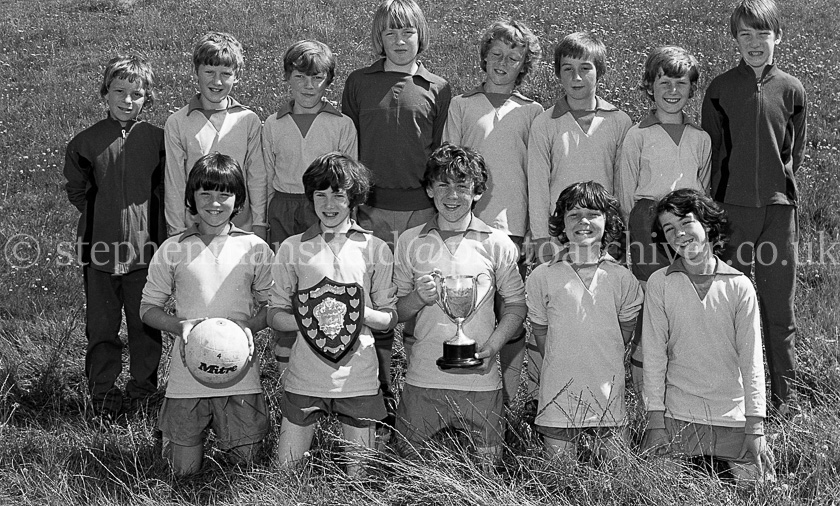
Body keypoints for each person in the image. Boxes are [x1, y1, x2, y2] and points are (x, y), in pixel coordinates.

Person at [341, 0, 452, 431]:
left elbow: (439, 154)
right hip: (370, 213)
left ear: (421, 36)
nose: (400, 40)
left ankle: (420, 395)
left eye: (408, 32)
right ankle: (378, 394)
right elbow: (348, 146)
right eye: (390, 32)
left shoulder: (437, 88)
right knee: (376, 303)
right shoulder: (359, 83)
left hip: (420, 213)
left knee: (418, 302)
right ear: (379, 38)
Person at [701, 0, 807, 417]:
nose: (754, 42)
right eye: (745, 34)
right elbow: (713, 149)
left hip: (779, 214)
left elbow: (794, 152)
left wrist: (778, 190)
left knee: (780, 311)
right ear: (735, 39)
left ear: (778, 35)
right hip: (731, 212)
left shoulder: (793, 89)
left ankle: (785, 403)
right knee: (733, 308)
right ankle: (736, 400)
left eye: (762, 33)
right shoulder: (719, 89)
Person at [392, 143, 526, 466]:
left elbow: (516, 306)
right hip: (423, 378)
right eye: (443, 184)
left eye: (462, 186)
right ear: (429, 189)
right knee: (408, 469)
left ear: (478, 192)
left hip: (481, 380)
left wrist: (493, 347)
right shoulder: (410, 241)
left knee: (487, 476)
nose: (452, 195)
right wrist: (417, 298)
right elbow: (394, 312)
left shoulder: (497, 243)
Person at [140, 153, 273, 476]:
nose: (215, 203)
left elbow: (273, 306)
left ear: (238, 200)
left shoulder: (255, 248)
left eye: (224, 194)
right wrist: (178, 325)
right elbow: (147, 309)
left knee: (246, 470)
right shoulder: (173, 248)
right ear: (192, 198)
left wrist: (249, 326)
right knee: (182, 473)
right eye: (206, 194)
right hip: (187, 377)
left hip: (241, 378)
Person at [268, 153, 396, 477]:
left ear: (353, 198)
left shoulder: (376, 248)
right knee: (285, 475)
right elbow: (274, 314)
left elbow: (389, 318)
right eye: (320, 194)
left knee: (362, 478)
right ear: (309, 197)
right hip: (305, 374)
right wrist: (309, 320)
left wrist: (357, 314)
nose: (329, 204)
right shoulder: (292, 247)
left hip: (358, 376)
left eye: (338, 194)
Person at [442, 19, 543, 408]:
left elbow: (536, 173)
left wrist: (535, 229)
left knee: (510, 315)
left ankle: (512, 399)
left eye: (513, 58)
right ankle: (465, 392)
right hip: (468, 226)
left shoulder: (533, 111)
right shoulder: (462, 105)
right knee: (468, 309)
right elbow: (448, 166)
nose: (503, 63)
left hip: (513, 227)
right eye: (496, 54)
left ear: (523, 66)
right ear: (484, 57)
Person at [642, 188, 774, 485]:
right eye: (669, 229)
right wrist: (655, 422)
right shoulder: (660, 284)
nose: (679, 233)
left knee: (759, 487)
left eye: (686, 222)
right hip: (678, 415)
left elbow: (752, 361)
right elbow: (653, 356)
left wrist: (755, 426)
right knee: (656, 486)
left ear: (707, 224)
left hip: (732, 416)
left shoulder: (739, 286)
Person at [63, 55, 165, 421]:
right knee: (102, 328)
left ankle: (143, 392)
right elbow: (77, 190)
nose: (127, 100)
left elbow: (165, 190)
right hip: (99, 254)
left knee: (145, 327)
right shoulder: (85, 142)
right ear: (105, 93)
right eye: (119, 91)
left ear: (147, 98)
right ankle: (103, 394)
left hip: (145, 254)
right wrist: (101, 217)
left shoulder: (158, 140)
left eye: (136, 94)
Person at [614, 46, 711, 395]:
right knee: (650, 304)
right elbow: (626, 192)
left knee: (684, 299)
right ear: (649, 86)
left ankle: (681, 388)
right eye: (664, 82)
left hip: (686, 224)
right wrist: (640, 229)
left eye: (681, 83)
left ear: (692, 89)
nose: (672, 90)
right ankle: (646, 398)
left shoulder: (700, 138)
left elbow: (703, 189)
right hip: (647, 221)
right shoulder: (638, 135)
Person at [526, 181, 643, 461]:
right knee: (559, 477)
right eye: (574, 215)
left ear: (608, 220)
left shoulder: (623, 278)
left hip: (608, 396)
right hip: (558, 395)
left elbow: (624, 334)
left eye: (593, 214)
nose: (584, 222)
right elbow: (542, 336)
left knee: (618, 473)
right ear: (562, 223)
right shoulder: (542, 276)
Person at [262, 39, 358, 374]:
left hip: (324, 209)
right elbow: (265, 175)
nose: (308, 85)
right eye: (300, 76)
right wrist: (262, 221)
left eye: (317, 78)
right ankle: (285, 368)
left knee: (323, 281)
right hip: (283, 207)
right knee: (286, 285)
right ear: (287, 78)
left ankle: (327, 356)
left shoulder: (341, 124)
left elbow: (349, 180)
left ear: (328, 80)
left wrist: (348, 223)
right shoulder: (273, 123)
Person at [527, 32, 632, 265]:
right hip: (559, 233)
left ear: (600, 71)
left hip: (604, 232)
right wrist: (541, 238)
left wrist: (621, 235)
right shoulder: (544, 124)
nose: (576, 77)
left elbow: (623, 185)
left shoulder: (619, 121)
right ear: (557, 73)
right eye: (568, 69)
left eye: (585, 68)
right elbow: (537, 186)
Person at [164, 31, 267, 240]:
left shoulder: (248, 120)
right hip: (194, 229)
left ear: (237, 76)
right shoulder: (177, 122)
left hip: (241, 229)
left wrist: (259, 224)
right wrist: (176, 231)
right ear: (196, 72)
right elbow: (175, 181)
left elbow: (257, 177)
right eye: (209, 72)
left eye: (225, 74)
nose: (217, 81)